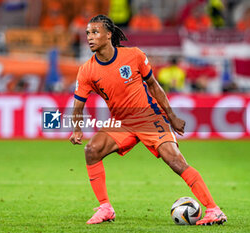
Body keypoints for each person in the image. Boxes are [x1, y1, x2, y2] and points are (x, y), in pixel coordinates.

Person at [69, 14, 227, 225]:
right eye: (88, 33)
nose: (89, 37)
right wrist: (77, 129)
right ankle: (105, 208)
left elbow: (153, 85)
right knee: (92, 150)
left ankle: (214, 210)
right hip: (122, 122)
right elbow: (78, 105)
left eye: (95, 32)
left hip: (148, 117)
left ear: (108, 35)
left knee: (175, 161)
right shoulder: (87, 70)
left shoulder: (133, 55)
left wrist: (171, 116)